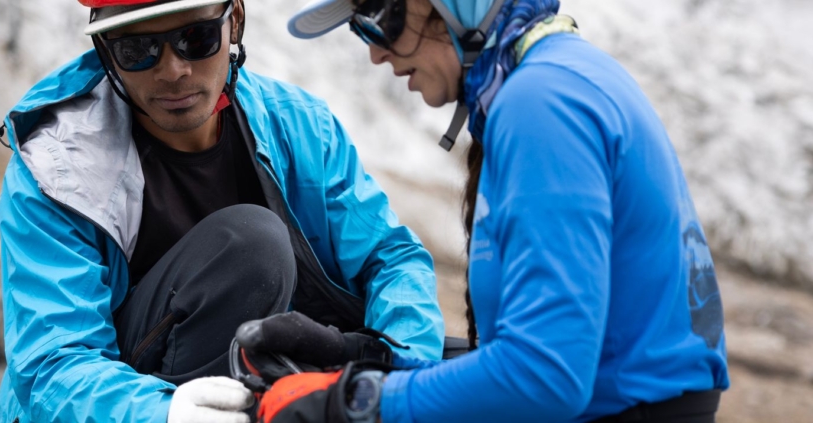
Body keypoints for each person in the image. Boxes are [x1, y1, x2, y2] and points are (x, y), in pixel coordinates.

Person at [245, 0, 730, 422]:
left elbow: (545, 374)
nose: (375, 51)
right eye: (361, 26)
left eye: (378, 14)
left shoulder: (540, 105)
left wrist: (354, 402)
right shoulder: (563, 74)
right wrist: (358, 354)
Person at [0, 0, 446, 421]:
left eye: (197, 38)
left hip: (258, 381)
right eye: (137, 49)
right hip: (131, 405)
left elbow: (389, 258)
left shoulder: (301, 126)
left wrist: (404, 371)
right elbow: (54, 361)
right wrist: (164, 414)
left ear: (236, 23)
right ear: (106, 50)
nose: (172, 70)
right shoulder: (53, 168)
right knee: (253, 246)